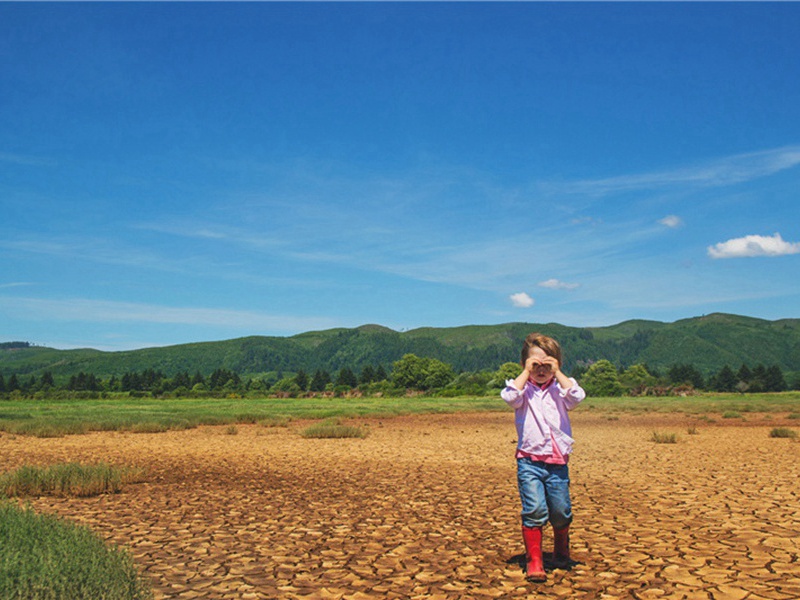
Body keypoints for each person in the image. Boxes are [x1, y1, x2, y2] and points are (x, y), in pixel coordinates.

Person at [500, 332, 586, 581]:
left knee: (561, 512)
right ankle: (534, 561)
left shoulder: (561, 390)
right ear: (525, 365)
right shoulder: (522, 391)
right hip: (529, 461)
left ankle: (561, 547)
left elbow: (577, 397)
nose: (541, 369)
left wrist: (557, 372)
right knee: (534, 510)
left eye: (546, 364)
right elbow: (509, 397)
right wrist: (525, 372)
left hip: (558, 463)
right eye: (535, 364)